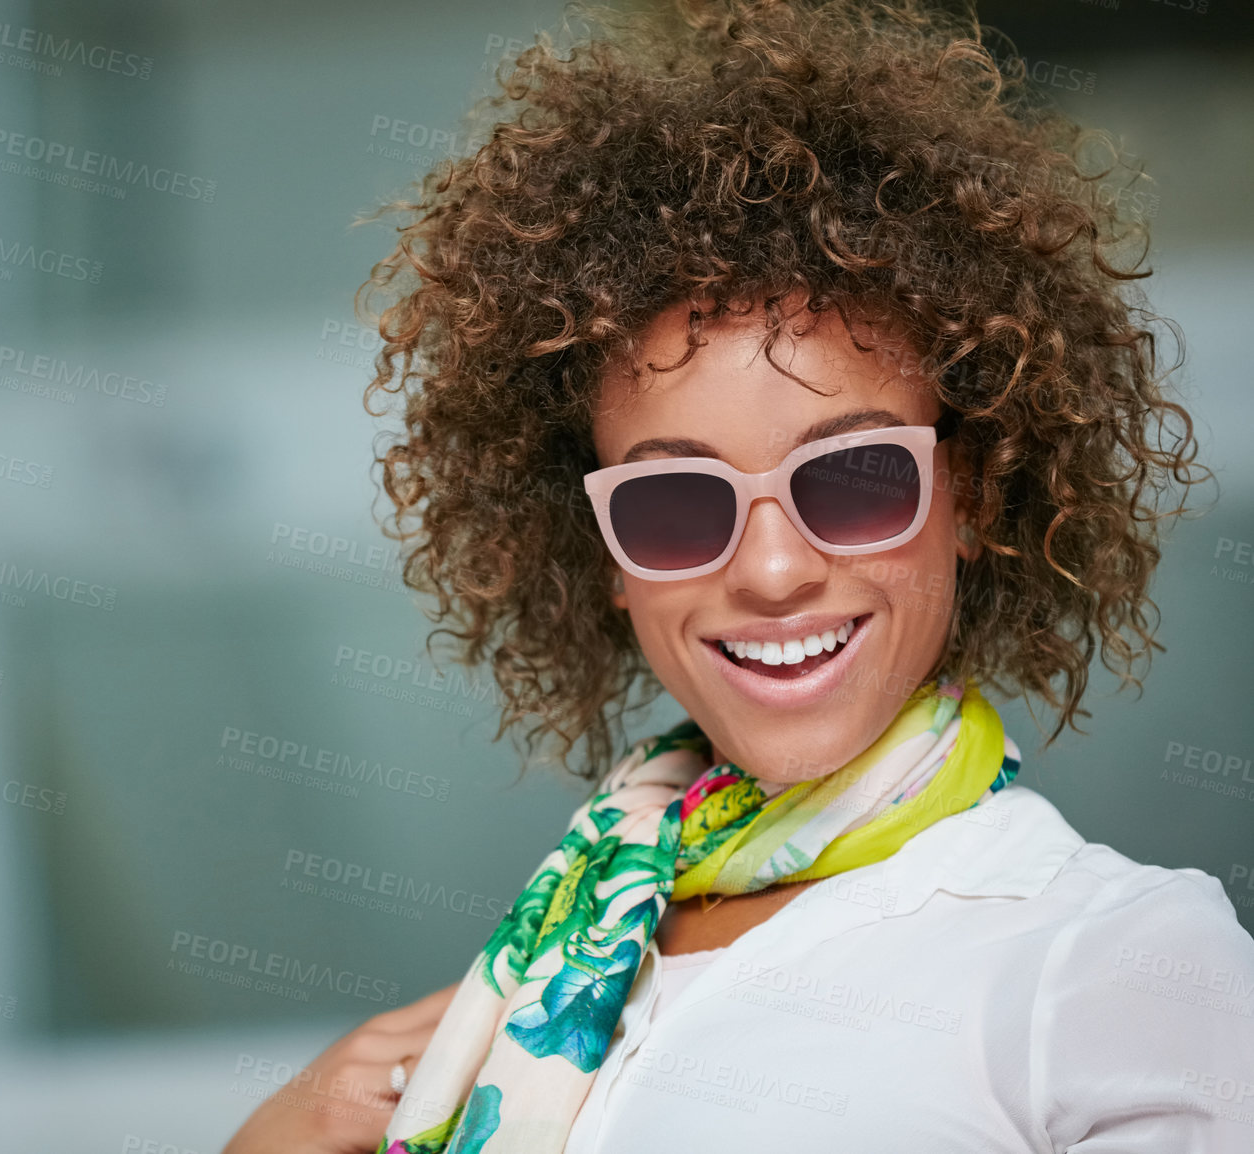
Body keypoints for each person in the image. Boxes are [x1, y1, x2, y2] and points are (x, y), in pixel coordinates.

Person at [223, 0, 1254, 1150]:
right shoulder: (560, 954)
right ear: (606, 560)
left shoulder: (1115, 960)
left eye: (854, 478)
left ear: (970, 495)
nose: (771, 568)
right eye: (673, 504)